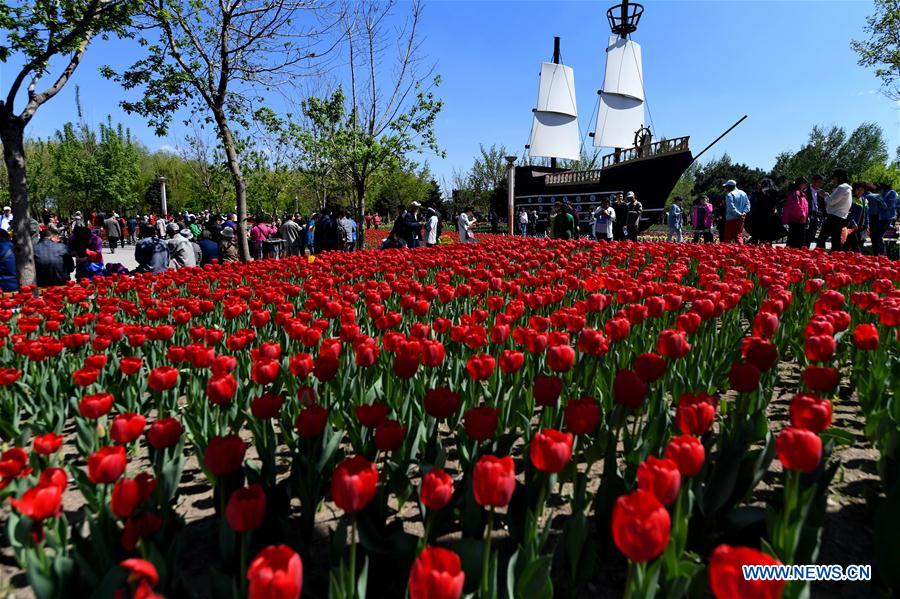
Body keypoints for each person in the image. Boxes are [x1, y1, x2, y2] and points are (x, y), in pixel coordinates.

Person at [816, 169, 852, 252]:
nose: (833, 180)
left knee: (822, 238)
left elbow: (831, 201)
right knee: (835, 239)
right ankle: (836, 257)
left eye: (834, 178)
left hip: (834, 217)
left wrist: (824, 195)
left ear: (838, 178)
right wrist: (828, 196)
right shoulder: (847, 188)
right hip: (840, 216)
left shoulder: (841, 187)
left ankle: (820, 254)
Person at [869, 182, 898, 256]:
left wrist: (878, 200)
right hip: (877, 217)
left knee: (878, 236)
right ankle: (876, 254)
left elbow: (889, 205)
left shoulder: (892, 193)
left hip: (887, 218)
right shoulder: (877, 194)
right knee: (874, 236)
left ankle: (882, 253)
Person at [782, 177, 809, 249]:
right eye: (805, 184)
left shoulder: (801, 193)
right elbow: (796, 205)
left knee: (797, 240)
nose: (806, 186)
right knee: (795, 241)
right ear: (800, 184)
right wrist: (802, 215)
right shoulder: (796, 193)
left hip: (799, 219)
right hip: (797, 219)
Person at [844, 182, 871, 252]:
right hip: (851, 227)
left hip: (861, 228)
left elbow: (867, 215)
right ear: (854, 190)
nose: (860, 191)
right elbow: (848, 213)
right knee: (856, 246)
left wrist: (867, 226)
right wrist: (853, 223)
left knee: (847, 246)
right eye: (858, 189)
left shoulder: (865, 200)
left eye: (862, 190)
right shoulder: (850, 199)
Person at [722, 179, 750, 243]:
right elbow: (748, 204)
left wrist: (739, 214)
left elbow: (731, 208)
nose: (725, 189)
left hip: (731, 218)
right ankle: (741, 251)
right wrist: (744, 212)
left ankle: (728, 252)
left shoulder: (729, 195)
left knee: (728, 237)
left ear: (731, 186)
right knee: (738, 235)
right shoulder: (743, 193)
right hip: (741, 218)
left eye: (726, 187)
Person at [805, 174, 825, 246]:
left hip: (817, 215)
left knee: (813, 233)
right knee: (807, 233)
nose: (820, 184)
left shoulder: (821, 192)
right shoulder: (806, 190)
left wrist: (823, 213)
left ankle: (808, 246)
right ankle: (805, 248)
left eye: (821, 183)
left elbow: (822, 204)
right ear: (813, 181)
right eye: (818, 182)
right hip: (808, 214)